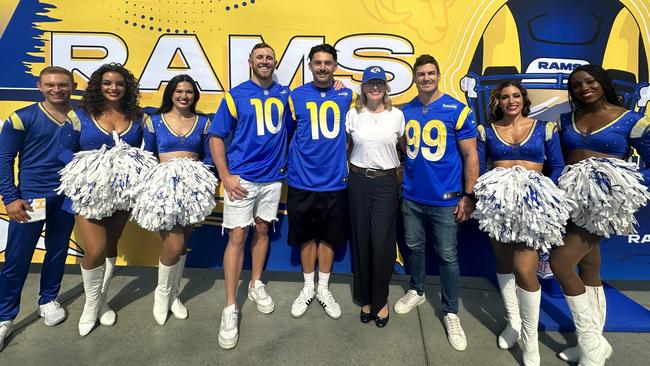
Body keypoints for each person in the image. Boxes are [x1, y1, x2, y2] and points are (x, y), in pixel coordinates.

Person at [551, 64, 650, 366]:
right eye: (576, 85)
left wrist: (619, 182)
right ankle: (593, 342)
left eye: (589, 81)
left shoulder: (631, 119)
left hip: (601, 204)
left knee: (560, 262)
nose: (583, 88)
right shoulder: (566, 118)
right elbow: (560, 160)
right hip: (570, 199)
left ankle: (591, 346)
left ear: (602, 82)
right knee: (589, 264)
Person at [474, 81, 565, 365]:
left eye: (515, 96)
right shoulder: (486, 131)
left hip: (532, 204)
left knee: (525, 270)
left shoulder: (544, 128)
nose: (510, 101)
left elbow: (558, 166)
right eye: (504, 97)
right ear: (497, 102)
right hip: (498, 205)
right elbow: (477, 166)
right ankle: (514, 323)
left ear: (523, 99)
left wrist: (546, 193)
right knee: (502, 263)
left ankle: (531, 340)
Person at [395, 54, 479, 351]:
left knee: (447, 256)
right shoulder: (407, 110)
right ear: (415, 78)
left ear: (439, 75)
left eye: (431, 73)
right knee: (414, 248)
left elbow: (471, 155)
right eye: (421, 74)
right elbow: (403, 147)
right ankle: (417, 289)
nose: (426, 78)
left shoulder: (456, 109)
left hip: (445, 200)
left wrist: (469, 196)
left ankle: (450, 310)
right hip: (413, 196)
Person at [209, 43, 289, 350]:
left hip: (273, 179)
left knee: (262, 230)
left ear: (275, 62)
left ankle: (255, 283)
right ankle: (230, 306)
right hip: (242, 179)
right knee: (238, 236)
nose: (265, 61)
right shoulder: (235, 95)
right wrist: (225, 175)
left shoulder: (285, 95)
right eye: (260, 58)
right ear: (251, 62)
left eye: (269, 57)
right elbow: (216, 137)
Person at [58, 63, 147, 337]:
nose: (113, 88)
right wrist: (93, 166)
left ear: (126, 88)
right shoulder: (80, 115)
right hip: (88, 195)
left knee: (111, 245)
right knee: (94, 249)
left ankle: (102, 300)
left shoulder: (136, 116)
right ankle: (91, 305)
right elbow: (63, 151)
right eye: (107, 83)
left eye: (119, 83)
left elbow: (142, 153)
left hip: (121, 195)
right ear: (98, 85)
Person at [0, 67, 77, 351]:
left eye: (63, 85)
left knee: (57, 251)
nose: (57, 89)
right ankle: (4, 317)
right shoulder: (22, 117)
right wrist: (10, 197)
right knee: (17, 258)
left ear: (73, 85)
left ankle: (47, 299)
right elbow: (4, 158)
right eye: (50, 85)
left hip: (67, 197)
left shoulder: (79, 117)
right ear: (40, 86)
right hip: (32, 198)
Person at [137, 74, 216, 325]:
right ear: (170, 93)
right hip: (164, 191)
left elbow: (210, 157)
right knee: (174, 245)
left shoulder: (203, 122)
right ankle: (161, 295)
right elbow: (147, 155)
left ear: (195, 95)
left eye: (189, 92)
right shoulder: (155, 121)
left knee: (183, 246)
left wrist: (199, 177)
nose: (184, 96)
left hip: (191, 190)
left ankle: (174, 295)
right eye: (179, 91)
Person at [284, 44, 352, 320]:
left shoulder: (348, 94)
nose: (323, 67)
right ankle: (308, 287)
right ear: (310, 65)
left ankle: (323, 289)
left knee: (328, 238)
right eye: (317, 63)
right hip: (302, 180)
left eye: (328, 63)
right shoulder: (295, 96)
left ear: (335, 66)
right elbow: (286, 134)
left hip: (335, 181)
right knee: (305, 237)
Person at [346, 65, 404, 327]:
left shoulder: (397, 116)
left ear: (385, 87)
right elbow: (346, 147)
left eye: (379, 83)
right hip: (358, 180)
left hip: (385, 184)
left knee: (381, 244)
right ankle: (365, 298)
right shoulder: (353, 115)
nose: (375, 87)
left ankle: (381, 300)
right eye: (370, 83)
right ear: (364, 87)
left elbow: (404, 149)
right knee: (361, 241)